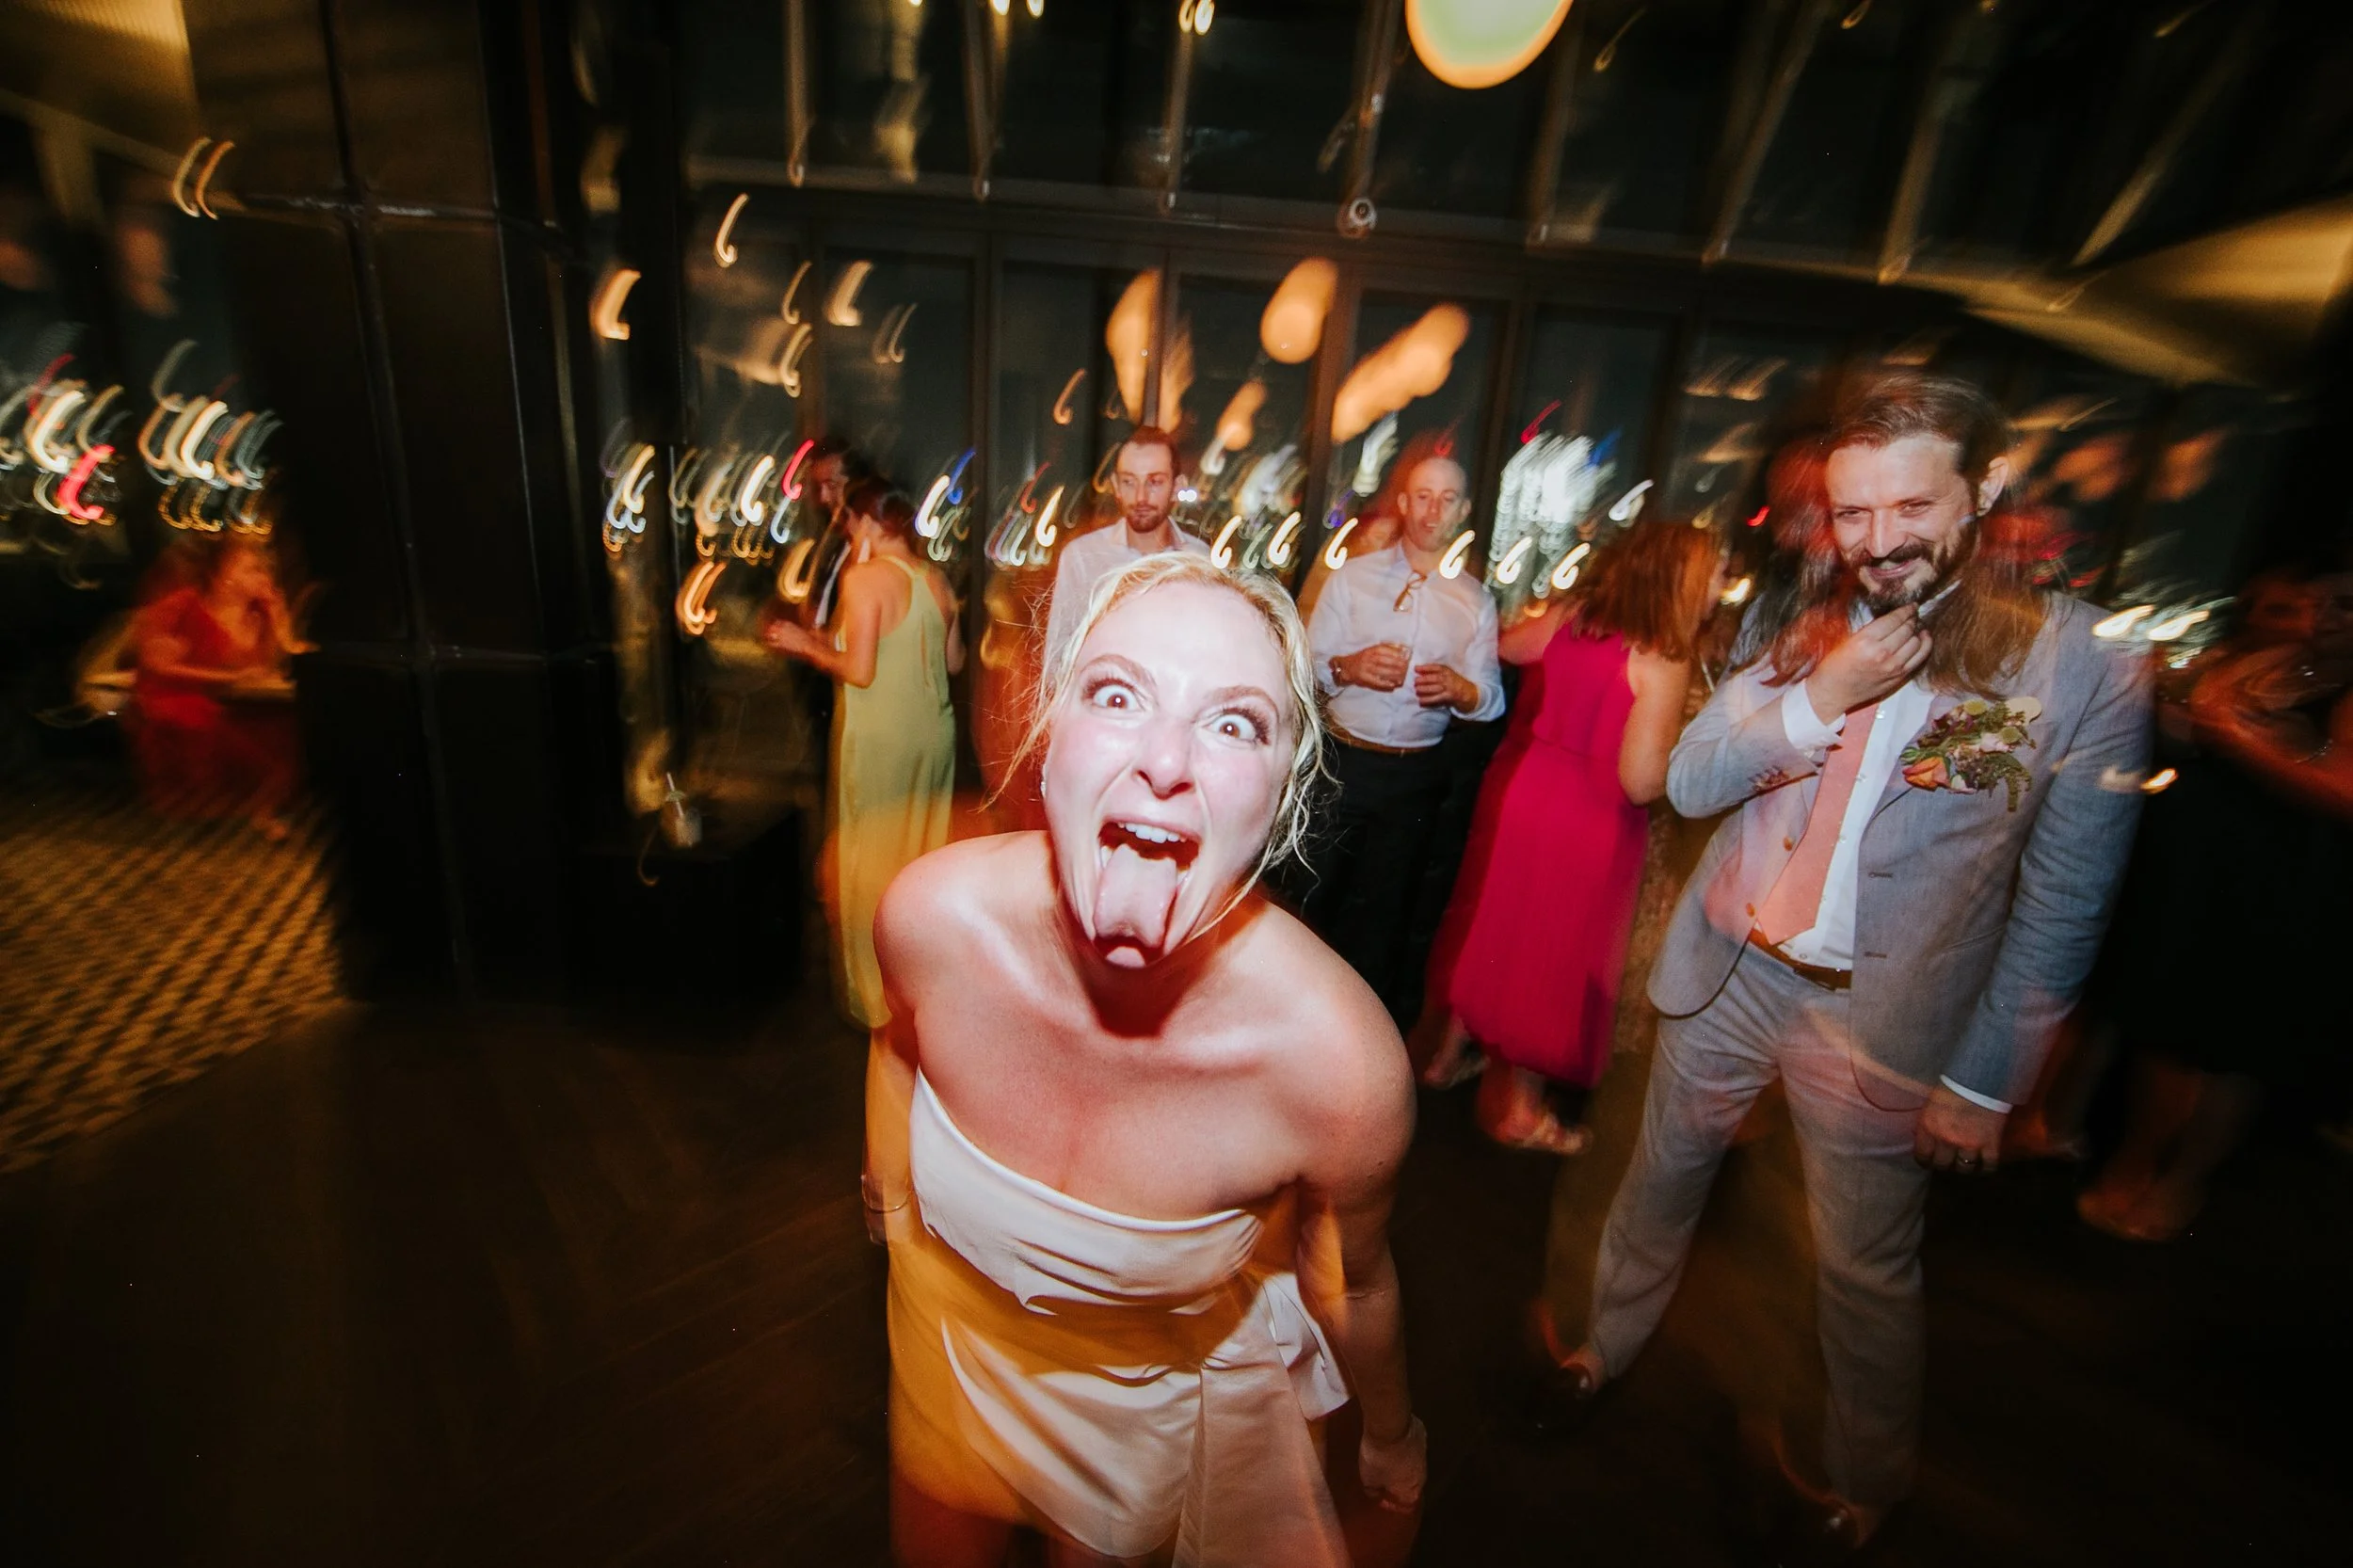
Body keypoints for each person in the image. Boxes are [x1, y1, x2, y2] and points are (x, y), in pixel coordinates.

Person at [1538, 372, 2151, 1556]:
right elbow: (1690, 782)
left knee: (1862, 1267)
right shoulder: (1796, 610)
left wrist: (1984, 1081)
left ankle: (1863, 1478)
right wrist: (1817, 697)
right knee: (1654, 1181)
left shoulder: (2079, 666)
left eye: (1909, 508)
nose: (1875, 542)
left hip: (1883, 1014)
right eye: (1852, 511)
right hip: (1729, 970)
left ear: (1984, 488)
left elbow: (2066, 899)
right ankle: (1594, 1350)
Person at [864, 552, 1424, 1567]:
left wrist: (1391, 1432)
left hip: (1131, 1414)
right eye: (1118, 695)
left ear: (1283, 799)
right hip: (946, 1342)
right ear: (1048, 742)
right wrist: (894, 1211)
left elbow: (1354, 1279)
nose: (1165, 761)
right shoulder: (932, 918)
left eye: (1234, 722)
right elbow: (898, 1042)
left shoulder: (1338, 1068)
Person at [1419, 519, 1725, 1155]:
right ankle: (1521, 1112)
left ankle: (1446, 1060)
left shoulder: (1574, 617)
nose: (1721, 589)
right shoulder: (1662, 658)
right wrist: (1694, 754)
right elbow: (1640, 780)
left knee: (1502, 927)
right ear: (1682, 579)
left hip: (1532, 792)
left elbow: (1505, 646)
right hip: (1592, 818)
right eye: (1716, 575)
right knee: (1553, 957)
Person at [2074, 571, 2353, 1240]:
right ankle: (2133, 1163)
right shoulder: (2277, 663)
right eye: (2319, 599)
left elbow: (2342, 790)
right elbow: (2193, 732)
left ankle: (2180, 1183)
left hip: (2288, 885)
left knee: (2235, 1044)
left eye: (2343, 605)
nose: (2322, 613)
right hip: (2211, 873)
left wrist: (2241, 740)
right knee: (2170, 1026)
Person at [1303, 445, 1504, 1018]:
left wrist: (1463, 690)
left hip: (1417, 776)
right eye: (1423, 496)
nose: (1432, 511)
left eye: (1446, 499)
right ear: (1404, 503)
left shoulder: (1474, 601)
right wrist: (1348, 667)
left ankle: (1362, 1035)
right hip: (1343, 764)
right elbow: (1306, 669)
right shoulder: (1353, 578)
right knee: (1313, 900)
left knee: (1386, 916)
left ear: (1462, 510)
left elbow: (1491, 700)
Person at [764, 479, 962, 1029]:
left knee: (869, 860)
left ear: (868, 522)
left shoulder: (865, 578)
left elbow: (860, 670)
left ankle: (873, 997)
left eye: (850, 525)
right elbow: (954, 662)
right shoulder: (935, 579)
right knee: (918, 856)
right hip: (934, 733)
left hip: (884, 738)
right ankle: (919, 987)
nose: (848, 536)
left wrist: (803, 645)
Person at [131, 536, 306, 839]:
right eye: (251, 568)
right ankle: (235, 809)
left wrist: (278, 617)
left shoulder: (258, 612)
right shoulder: (185, 603)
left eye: (262, 569)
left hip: (228, 696)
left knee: (279, 722)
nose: (262, 576)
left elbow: (273, 663)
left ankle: (264, 807)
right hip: (178, 693)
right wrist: (229, 679)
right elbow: (157, 665)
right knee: (221, 726)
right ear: (222, 574)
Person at [1041, 426, 1210, 667]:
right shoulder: (1083, 556)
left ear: (1176, 486)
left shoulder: (1198, 559)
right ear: (1116, 486)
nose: (1141, 497)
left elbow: (1208, 649)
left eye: (1154, 482)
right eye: (1129, 482)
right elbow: (1058, 657)